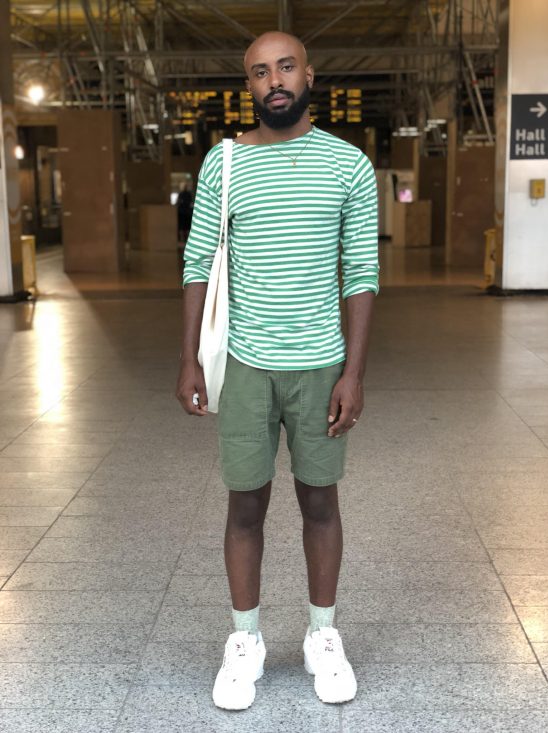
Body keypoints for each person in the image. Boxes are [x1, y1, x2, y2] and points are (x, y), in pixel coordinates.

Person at [176, 31, 378, 710]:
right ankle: (246, 640)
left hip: (320, 365)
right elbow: (198, 260)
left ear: (309, 75)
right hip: (244, 364)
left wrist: (354, 371)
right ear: (250, 87)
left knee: (320, 499)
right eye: (260, 72)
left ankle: (323, 634)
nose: (274, 80)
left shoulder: (348, 165)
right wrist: (188, 359)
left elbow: (363, 273)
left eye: (285, 66)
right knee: (246, 503)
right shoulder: (223, 164)